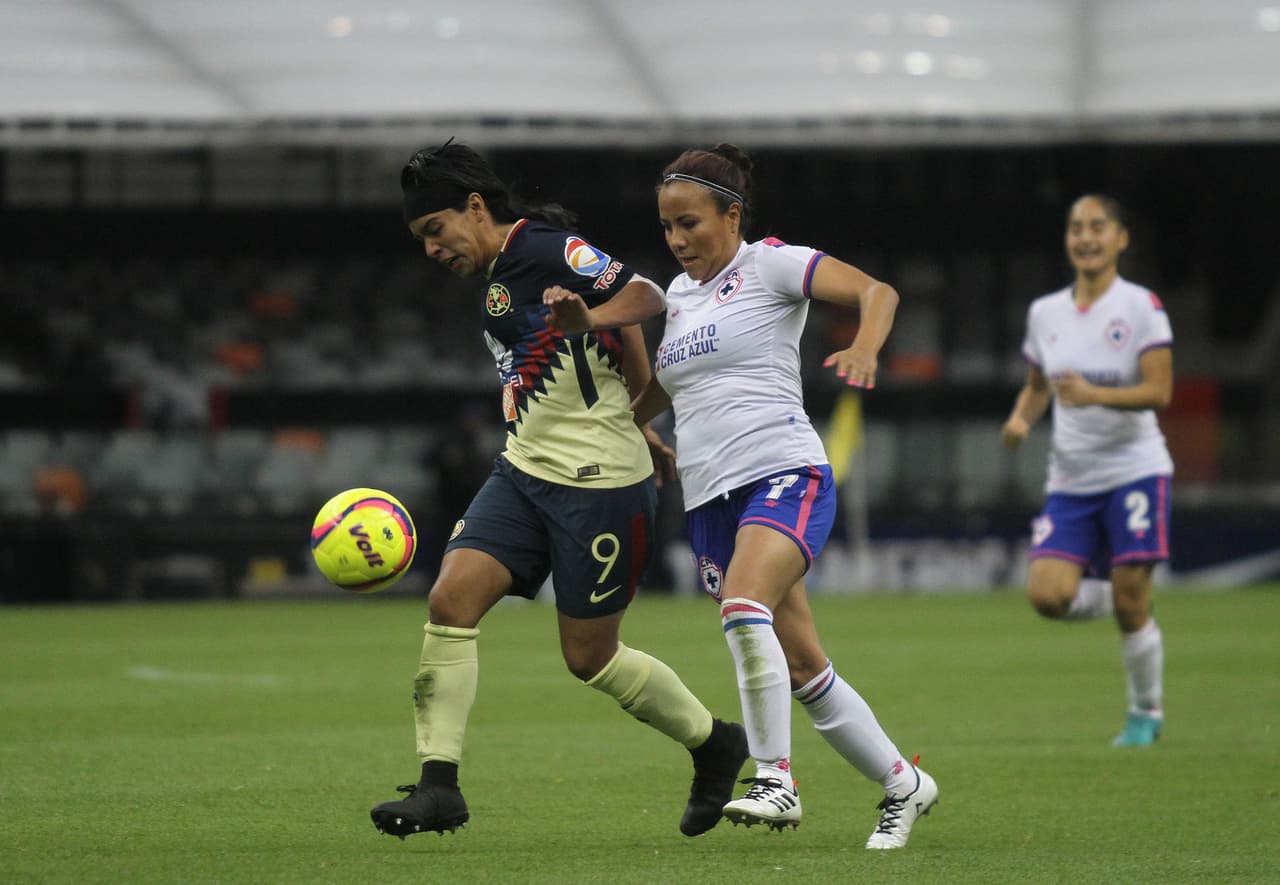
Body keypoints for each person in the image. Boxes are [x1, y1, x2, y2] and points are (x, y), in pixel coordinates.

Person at [551, 144, 939, 849]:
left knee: (742, 604)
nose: (677, 239)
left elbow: (879, 292)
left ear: (733, 215)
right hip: (709, 501)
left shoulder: (771, 264)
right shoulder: (680, 296)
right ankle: (904, 785)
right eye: (668, 227)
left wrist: (866, 349)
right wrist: (619, 420)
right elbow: (668, 390)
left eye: (691, 223)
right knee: (801, 666)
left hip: (782, 470)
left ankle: (775, 781)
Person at [371, 141, 748, 840]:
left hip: (599, 487)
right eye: (422, 239)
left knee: (590, 658)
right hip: (522, 471)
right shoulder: (495, 278)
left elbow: (642, 296)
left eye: (435, 231)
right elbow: (614, 328)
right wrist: (640, 412)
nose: (431, 249)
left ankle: (714, 743)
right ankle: (439, 786)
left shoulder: (544, 247)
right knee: (451, 597)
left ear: (475, 208)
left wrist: (627, 405)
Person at [1002, 194, 1173, 747]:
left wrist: (1094, 393)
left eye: (1099, 226)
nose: (1086, 236)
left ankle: (1145, 712)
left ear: (1120, 238)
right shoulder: (1045, 313)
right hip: (1072, 478)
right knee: (1047, 597)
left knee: (1129, 602)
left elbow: (1161, 391)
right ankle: (1130, 596)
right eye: (1077, 227)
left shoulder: (1141, 305)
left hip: (1135, 469)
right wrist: (1021, 420)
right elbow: (1037, 386)